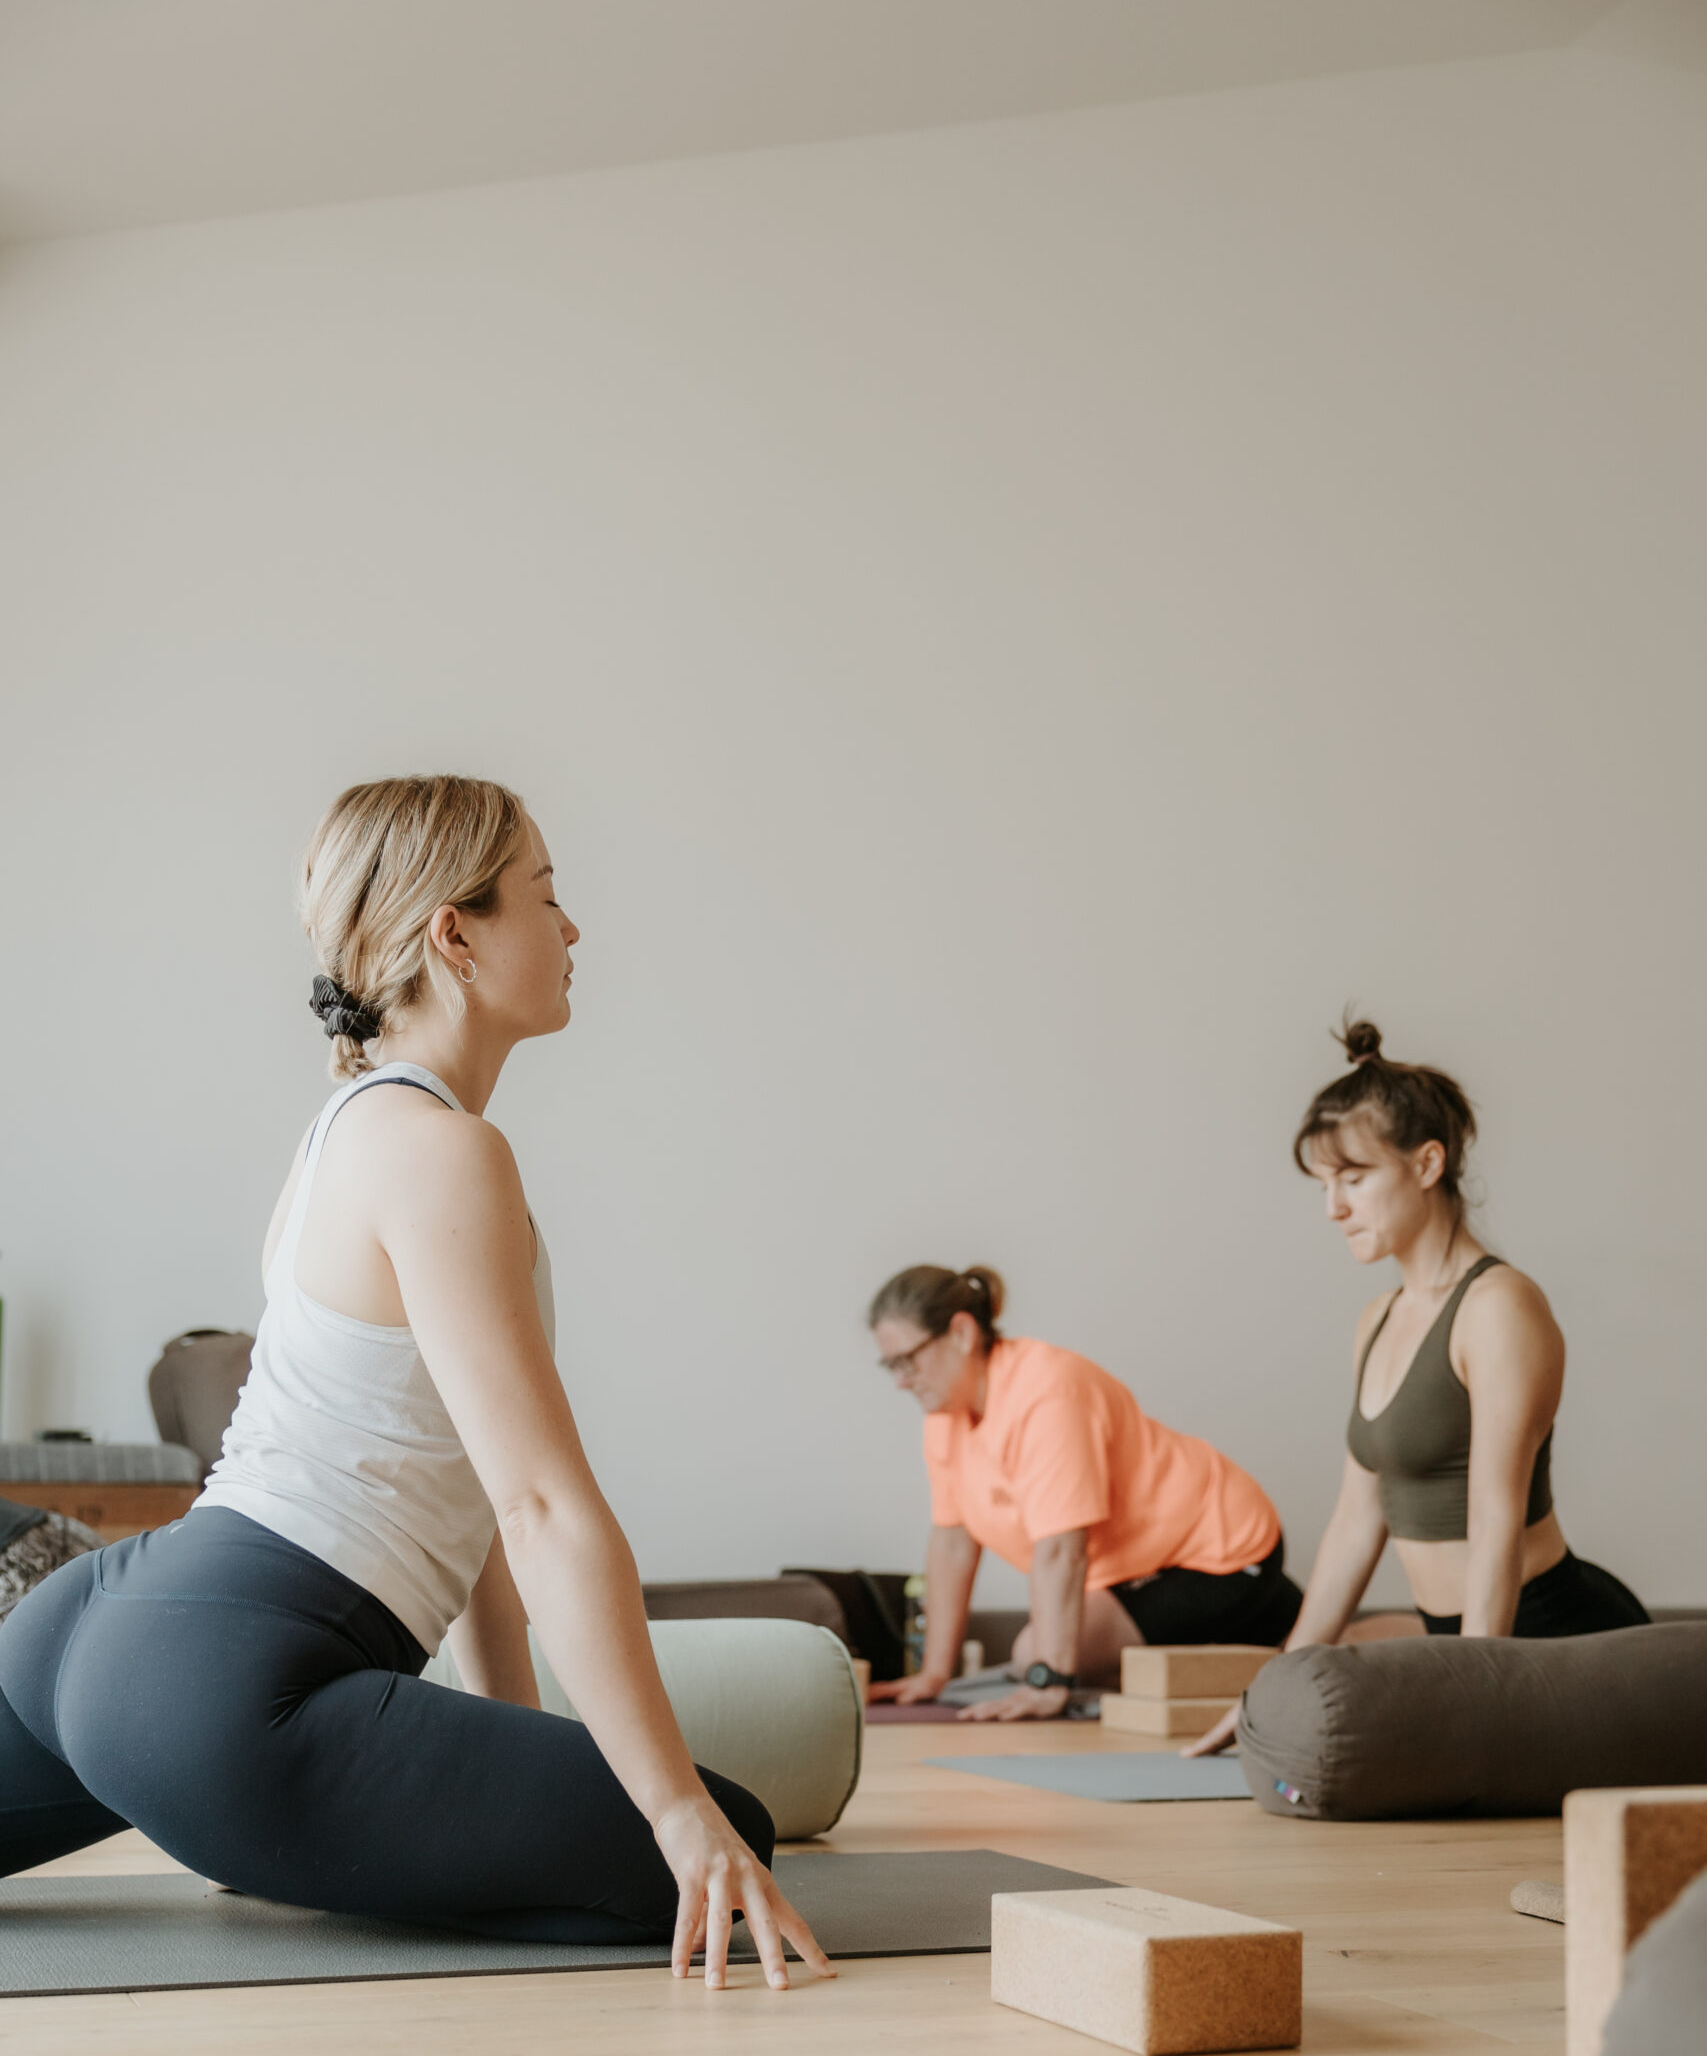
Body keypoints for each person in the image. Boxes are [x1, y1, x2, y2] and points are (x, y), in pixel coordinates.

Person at [0, 776, 829, 1992]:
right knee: (719, 1839)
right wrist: (671, 1806)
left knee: (655, 1823)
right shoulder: (449, 1154)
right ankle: (278, 1844)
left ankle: (270, 1835)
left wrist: (514, 1740)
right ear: (456, 932)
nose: (573, 929)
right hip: (229, 1693)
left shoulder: (348, 1127)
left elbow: (475, 1501)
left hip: (91, 1632)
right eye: (546, 895)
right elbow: (543, 1509)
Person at [1189, 1019, 1649, 1754]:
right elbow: (1353, 1523)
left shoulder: (1498, 1308)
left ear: (1427, 1164)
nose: (1332, 1208)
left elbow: (1494, 1518)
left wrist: (1472, 1689)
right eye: (1323, 1184)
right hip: (1462, 1643)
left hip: (1543, 1639)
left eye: (1354, 1177)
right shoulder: (1377, 1319)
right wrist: (1263, 1695)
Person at [867, 1265, 1301, 1719]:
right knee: (1043, 1648)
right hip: (1137, 1568)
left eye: (907, 1360)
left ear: (961, 1332)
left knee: (1033, 1652)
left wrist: (1051, 1681)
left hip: (1220, 1552)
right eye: (890, 1365)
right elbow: (953, 1544)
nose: (900, 1380)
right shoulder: (945, 1418)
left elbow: (1060, 1552)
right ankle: (1288, 1628)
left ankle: (1287, 1645)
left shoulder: (1046, 1392)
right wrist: (934, 1674)